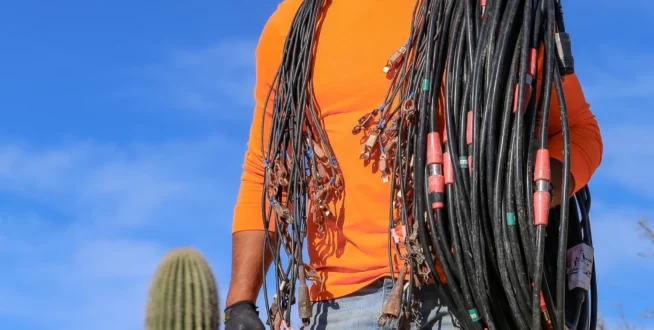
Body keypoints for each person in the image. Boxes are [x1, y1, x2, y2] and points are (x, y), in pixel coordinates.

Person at [223, 0, 604, 329]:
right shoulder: (293, 25)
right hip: (340, 306)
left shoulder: (492, 12)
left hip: (477, 295)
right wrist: (240, 301)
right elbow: (269, 169)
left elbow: (578, 132)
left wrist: (526, 192)